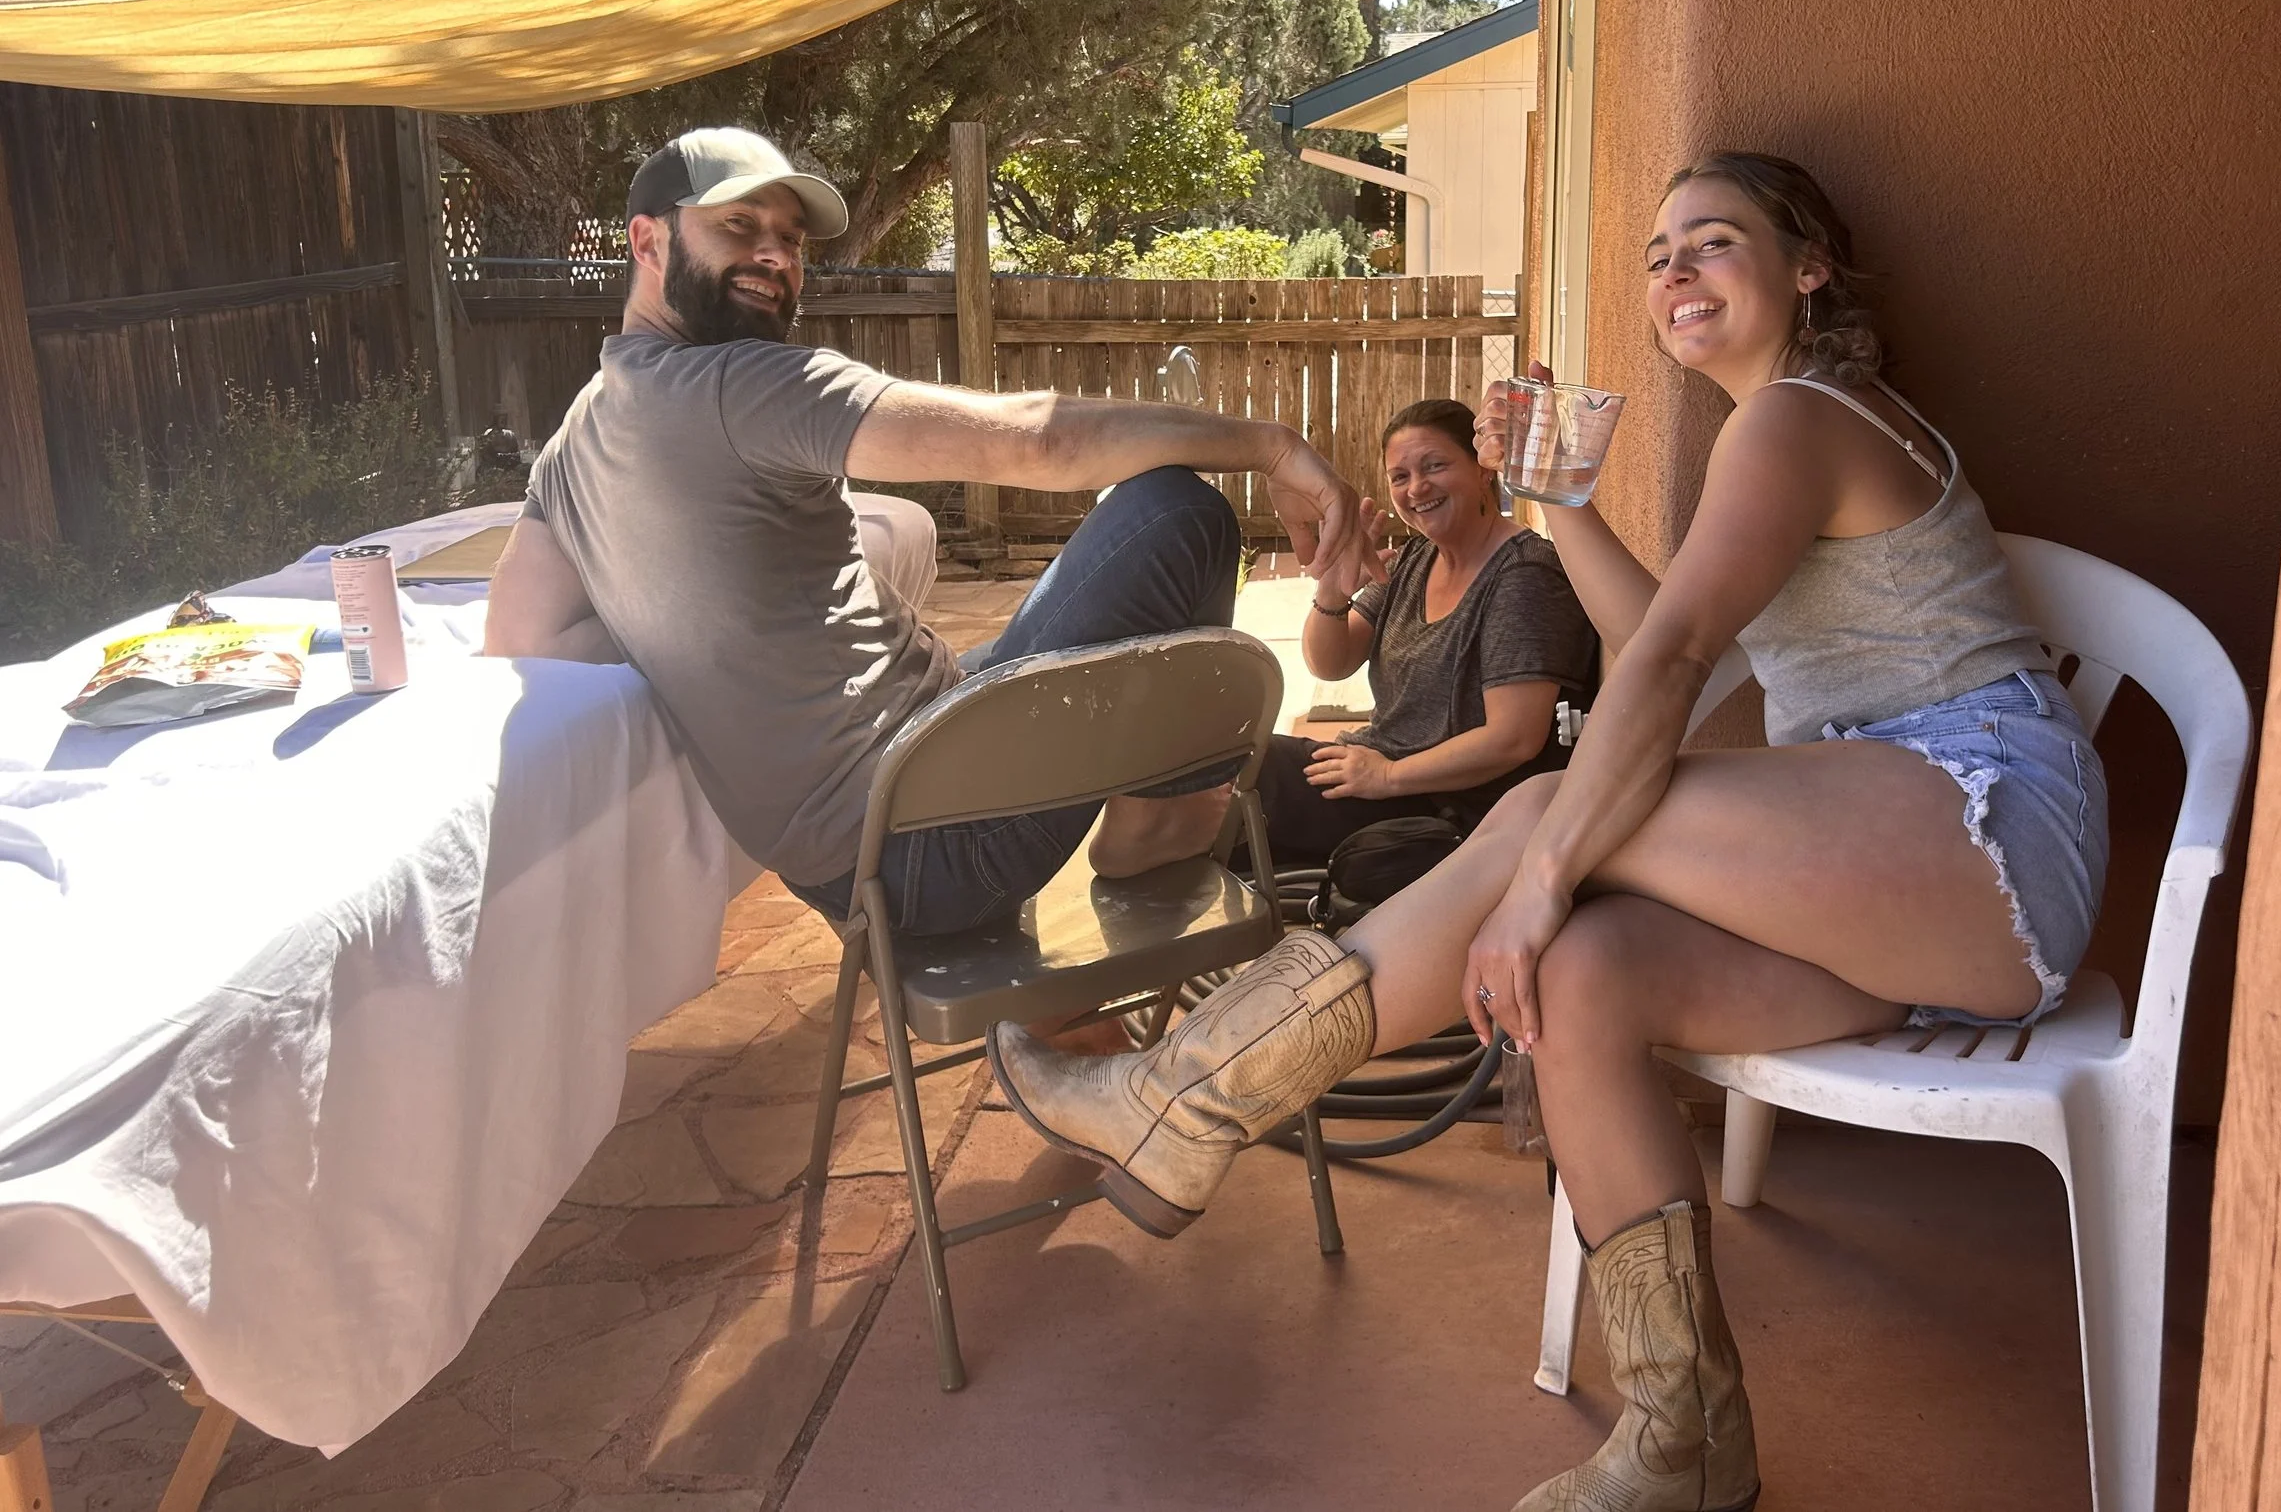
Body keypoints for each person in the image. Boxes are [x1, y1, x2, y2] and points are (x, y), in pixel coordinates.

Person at [987, 151, 2110, 1512]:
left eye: (1713, 242)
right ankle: (1686, 1438)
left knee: (1537, 815)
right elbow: (1655, 639)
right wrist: (1564, 503)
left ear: (1807, 270)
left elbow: (1680, 653)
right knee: (1584, 979)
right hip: (1885, 883)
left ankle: (1182, 1096)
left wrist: (1545, 874)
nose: (1674, 272)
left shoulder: (1801, 413)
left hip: (1984, 828)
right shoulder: (1778, 431)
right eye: (1657, 254)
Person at [484, 127, 1377, 935]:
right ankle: (1159, 821)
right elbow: (1041, 438)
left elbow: (526, 640)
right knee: (1179, 514)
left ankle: (1214, 785)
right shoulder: (747, 383)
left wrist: (698, 638)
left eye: (790, 238)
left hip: (855, 870)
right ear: (648, 240)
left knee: (1120, 636)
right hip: (937, 841)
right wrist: (1270, 445)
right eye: (738, 226)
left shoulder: (573, 443)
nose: (775, 255)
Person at [1257, 398, 1598, 869]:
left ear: (1483, 470)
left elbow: (1514, 737)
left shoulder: (1523, 576)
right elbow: (1331, 664)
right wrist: (1332, 591)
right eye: (1400, 476)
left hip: (1445, 815)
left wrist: (1388, 776)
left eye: (1435, 466)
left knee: (1242, 790)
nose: (1417, 488)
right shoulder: (1416, 560)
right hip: (1378, 774)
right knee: (1234, 755)